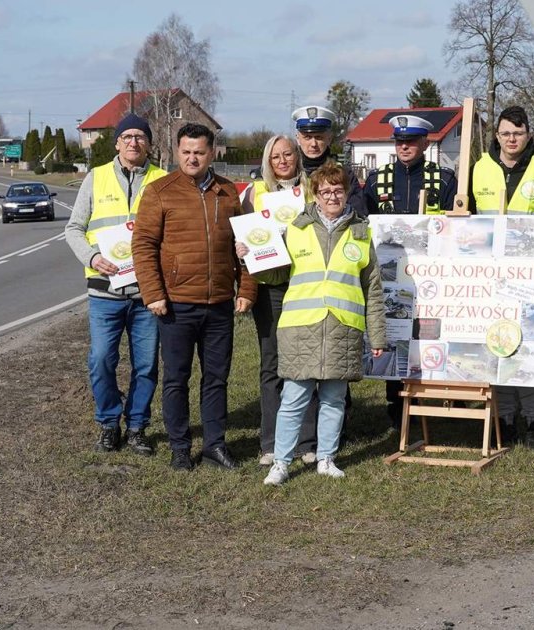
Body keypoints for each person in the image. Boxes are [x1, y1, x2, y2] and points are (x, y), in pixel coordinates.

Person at [236, 162, 387, 485]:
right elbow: (276, 274)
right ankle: (281, 462)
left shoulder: (361, 234)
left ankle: (326, 458)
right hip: (300, 327)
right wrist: (250, 256)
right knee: (293, 398)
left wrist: (377, 336)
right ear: (315, 194)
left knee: (333, 398)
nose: (332, 196)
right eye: (325, 190)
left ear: (347, 193)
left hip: (342, 329)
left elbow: (372, 288)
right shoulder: (296, 228)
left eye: (338, 190)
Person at [131, 122, 256, 471]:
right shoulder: (159, 192)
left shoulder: (229, 192)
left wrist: (246, 289)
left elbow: (246, 245)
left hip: (218, 304)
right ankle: (180, 449)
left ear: (212, 152)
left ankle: (215, 446)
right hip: (175, 304)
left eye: (199, 152)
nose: (192, 158)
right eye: (185, 152)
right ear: (176, 151)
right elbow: (142, 246)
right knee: (176, 379)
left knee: (216, 378)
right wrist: (153, 293)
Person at [63, 113, 166, 454]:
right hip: (104, 291)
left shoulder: (162, 179)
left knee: (147, 364)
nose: (134, 142)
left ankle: (136, 426)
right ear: (117, 142)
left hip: (147, 293)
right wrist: (92, 258)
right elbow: (73, 228)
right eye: (128, 136)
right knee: (102, 359)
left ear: (149, 143)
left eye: (140, 136)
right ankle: (109, 422)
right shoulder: (96, 177)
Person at [469, 105, 534, 448]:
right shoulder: (478, 169)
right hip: (488, 275)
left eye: (518, 133)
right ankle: (505, 417)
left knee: (530, 343)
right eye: (505, 133)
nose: (512, 139)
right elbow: (466, 217)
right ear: (497, 135)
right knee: (496, 343)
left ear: (529, 136)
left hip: (531, 275)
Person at [363, 114, 458, 425]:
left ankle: (425, 395)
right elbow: (367, 223)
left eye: (411, 141)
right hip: (390, 275)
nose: (404, 146)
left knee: (426, 332)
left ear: (423, 143)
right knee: (394, 332)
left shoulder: (443, 178)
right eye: (399, 141)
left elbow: (453, 225)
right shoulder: (378, 179)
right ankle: (395, 401)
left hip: (431, 274)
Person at [242, 134, 320, 466]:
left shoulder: (313, 188)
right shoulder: (254, 193)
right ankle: (271, 443)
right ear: (267, 162)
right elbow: (242, 235)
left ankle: (307, 442)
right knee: (271, 363)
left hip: (307, 285)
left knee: (306, 363)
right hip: (271, 287)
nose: (283, 161)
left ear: (297, 156)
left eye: (288, 154)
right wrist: (242, 248)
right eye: (276, 157)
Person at [292, 105, 366, 215]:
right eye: (307, 137)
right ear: (298, 139)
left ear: (329, 139)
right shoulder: (290, 174)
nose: (313, 144)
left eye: (319, 137)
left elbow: (358, 214)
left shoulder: (345, 174)